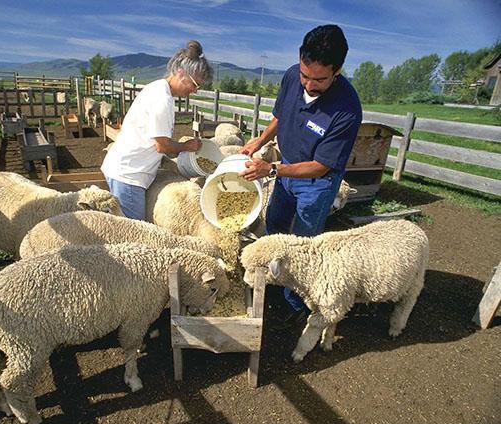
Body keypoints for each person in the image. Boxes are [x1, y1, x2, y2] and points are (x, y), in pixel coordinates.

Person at [240, 25, 362, 324]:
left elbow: (321, 166)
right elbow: (281, 115)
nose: (308, 84)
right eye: (305, 75)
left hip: (316, 182)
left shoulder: (346, 109)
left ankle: (296, 303)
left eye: (319, 79)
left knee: (304, 244)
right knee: (276, 227)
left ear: (338, 70)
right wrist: (262, 139)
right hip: (286, 170)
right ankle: (269, 283)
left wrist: (271, 169)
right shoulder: (292, 76)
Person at [101, 40, 213, 220]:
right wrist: (187, 146)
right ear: (181, 73)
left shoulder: (157, 88)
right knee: (133, 233)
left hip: (125, 169)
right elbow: (162, 145)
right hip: (129, 176)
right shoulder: (163, 100)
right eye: (194, 84)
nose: (195, 90)